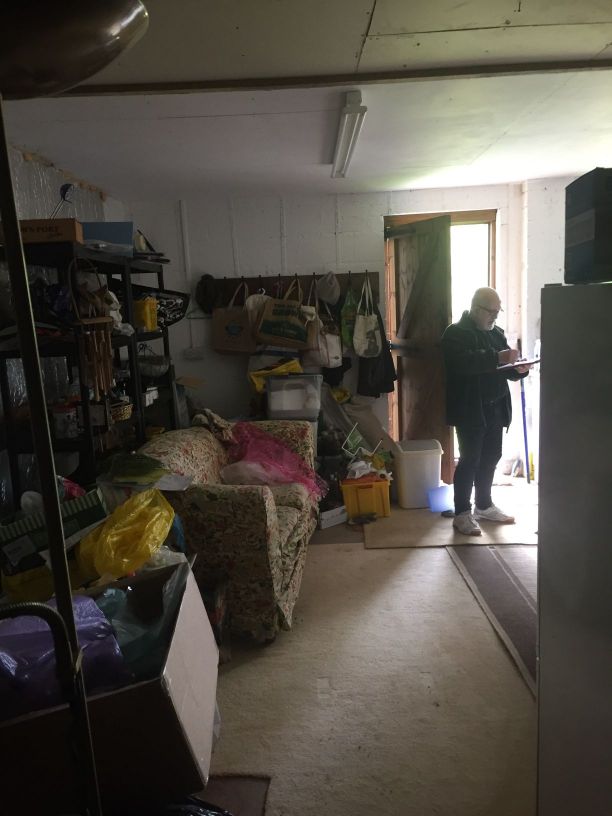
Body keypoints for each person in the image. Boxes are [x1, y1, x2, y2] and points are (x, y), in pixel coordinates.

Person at [441, 287, 531, 536]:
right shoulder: (455, 334)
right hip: (470, 408)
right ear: (475, 308)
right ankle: (461, 513)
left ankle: (484, 505)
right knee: (470, 459)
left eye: (497, 311)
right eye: (491, 311)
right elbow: (464, 363)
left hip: (496, 405)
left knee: (492, 456)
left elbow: (506, 368)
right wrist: (498, 357)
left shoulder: (496, 334)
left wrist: (519, 369)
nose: (495, 317)